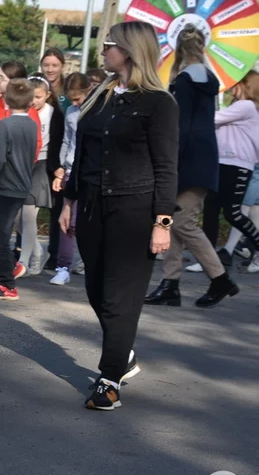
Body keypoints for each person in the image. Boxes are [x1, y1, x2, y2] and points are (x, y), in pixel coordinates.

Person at [60, 21, 178, 411]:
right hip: (92, 205)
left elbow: (166, 166)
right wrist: (68, 202)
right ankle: (123, 355)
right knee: (97, 290)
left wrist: (162, 222)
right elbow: (81, 155)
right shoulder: (100, 95)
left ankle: (109, 380)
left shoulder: (159, 103)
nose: (103, 51)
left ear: (129, 50)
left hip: (134, 210)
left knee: (121, 298)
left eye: (109, 44)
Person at [145, 26, 235, 307]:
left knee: (181, 221)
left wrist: (167, 159)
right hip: (204, 158)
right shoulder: (209, 80)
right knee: (169, 219)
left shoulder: (184, 81)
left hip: (187, 159)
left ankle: (219, 278)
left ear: (178, 49)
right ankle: (170, 283)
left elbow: (179, 127)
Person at [0, 61, 42, 286]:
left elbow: (0, 158)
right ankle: (6, 264)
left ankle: (5, 277)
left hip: (6, 181)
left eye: (2, 78)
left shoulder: (11, 123)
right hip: (2, 179)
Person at [211, 71, 259, 281]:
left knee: (233, 213)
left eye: (235, 83)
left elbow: (214, 118)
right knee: (214, 208)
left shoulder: (246, 106)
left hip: (237, 164)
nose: (231, 87)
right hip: (227, 163)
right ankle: (211, 257)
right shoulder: (241, 107)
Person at [15, 75, 63, 279]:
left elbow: (60, 140)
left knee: (28, 213)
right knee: (17, 217)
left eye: (38, 97)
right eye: (31, 96)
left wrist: (57, 169)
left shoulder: (53, 115)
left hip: (43, 164)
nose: (34, 101)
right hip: (24, 163)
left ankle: (24, 261)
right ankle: (36, 249)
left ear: (48, 96)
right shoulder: (23, 112)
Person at [50, 72, 93, 285]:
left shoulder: (96, 112)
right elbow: (67, 141)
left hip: (89, 171)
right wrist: (61, 166)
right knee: (66, 220)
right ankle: (63, 266)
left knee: (84, 221)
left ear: (88, 92)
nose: (75, 103)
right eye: (71, 99)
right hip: (70, 168)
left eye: (78, 99)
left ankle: (90, 262)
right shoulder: (70, 113)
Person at [41, 48, 68, 267]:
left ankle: (56, 254)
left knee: (58, 208)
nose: (50, 69)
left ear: (62, 67)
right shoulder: (36, 86)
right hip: (40, 155)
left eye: (54, 65)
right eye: (46, 65)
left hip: (60, 155)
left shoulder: (68, 91)